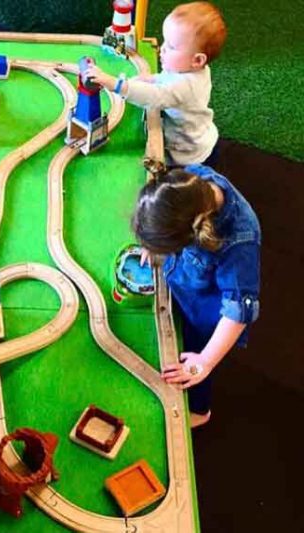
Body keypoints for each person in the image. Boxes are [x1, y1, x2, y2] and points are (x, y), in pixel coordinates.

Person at [133, 159, 260, 428]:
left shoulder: (239, 242)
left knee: (193, 361)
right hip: (187, 284)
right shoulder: (189, 184)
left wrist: (205, 361)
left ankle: (201, 410)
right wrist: (154, 241)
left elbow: (238, 312)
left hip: (205, 315)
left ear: (188, 235)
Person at [86, 2, 226, 167]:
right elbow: (168, 79)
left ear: (197, 60)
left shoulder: (185, 86)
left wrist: (113, 83)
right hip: (203, 137)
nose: (162, 48)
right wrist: (152, 78)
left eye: (172, 47)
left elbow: (154, 96)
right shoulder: (192, 69)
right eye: (165, 41)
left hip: (189, 156)